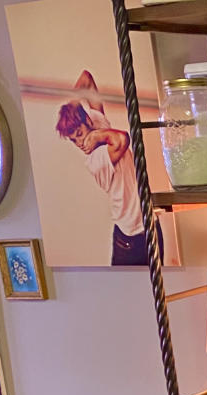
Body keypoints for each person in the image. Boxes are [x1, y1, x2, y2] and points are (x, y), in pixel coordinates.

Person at [55, 70, 163, 266]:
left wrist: (71, 108)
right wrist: (94, 135)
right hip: (128, 240)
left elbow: (87, 79)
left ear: (89, 121)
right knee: (125, 294)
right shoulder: (96, 160)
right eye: (73, 140)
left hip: (152, 228)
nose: (80, 143)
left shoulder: (99, 126)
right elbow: (122, 139)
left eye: (79, 134)